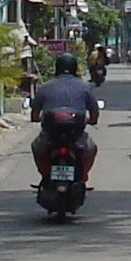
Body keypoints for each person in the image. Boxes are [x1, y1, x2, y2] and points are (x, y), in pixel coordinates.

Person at [30, 60, 101, 188]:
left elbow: (34, 114)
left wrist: (37, 119)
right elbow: (94, 111)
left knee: (36, 148)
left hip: (51, 135)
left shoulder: (45, 87)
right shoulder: (84, 87)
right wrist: (92, 120)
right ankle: (83, 177)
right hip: (75, 135)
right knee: (91, 149)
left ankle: (45, 175)